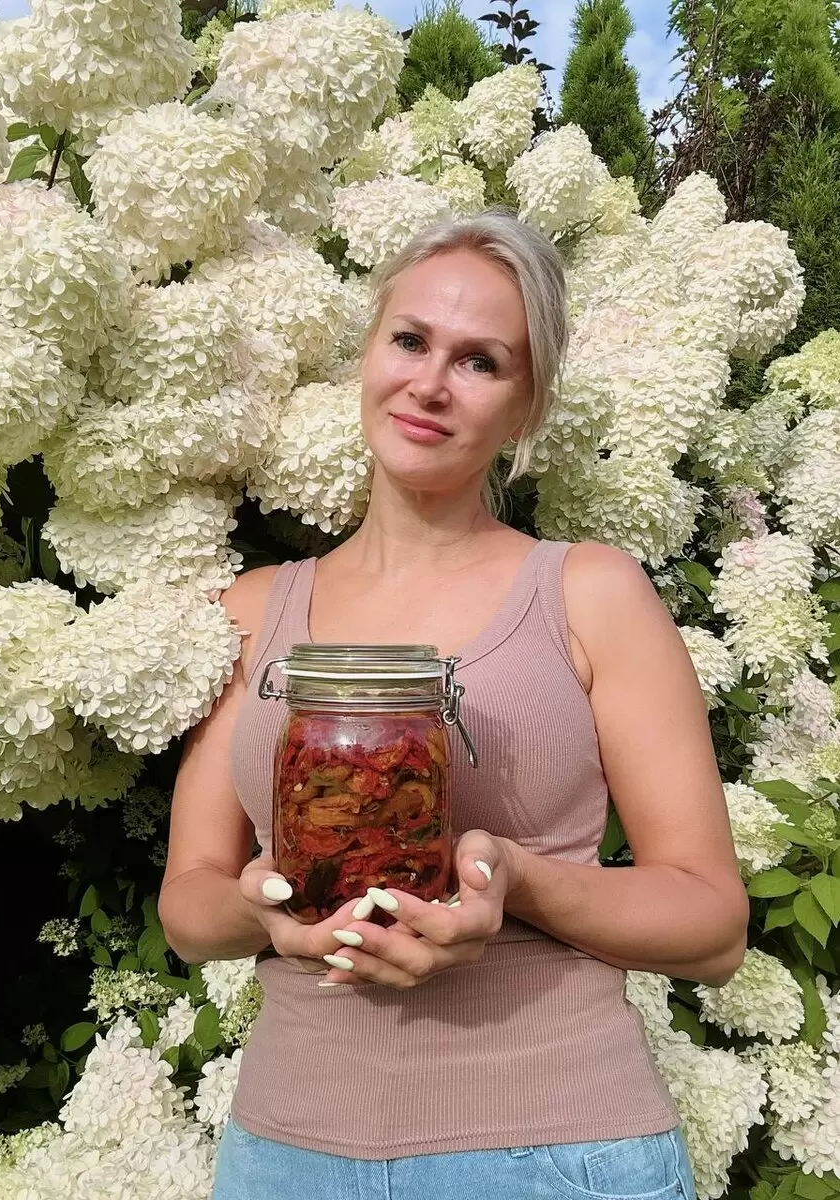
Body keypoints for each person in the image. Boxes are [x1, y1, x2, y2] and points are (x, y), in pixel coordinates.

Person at [158, 210, 749, 1200]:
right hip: (288, 1152)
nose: (430, 384)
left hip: (560, 1151)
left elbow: (713, 925)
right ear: (368, 354)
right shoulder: (254, 612)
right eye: (410, 340)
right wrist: (269, 911)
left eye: (481, 362)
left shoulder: (590, 593)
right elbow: (188, 905)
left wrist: (518, 881)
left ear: (526, 406)